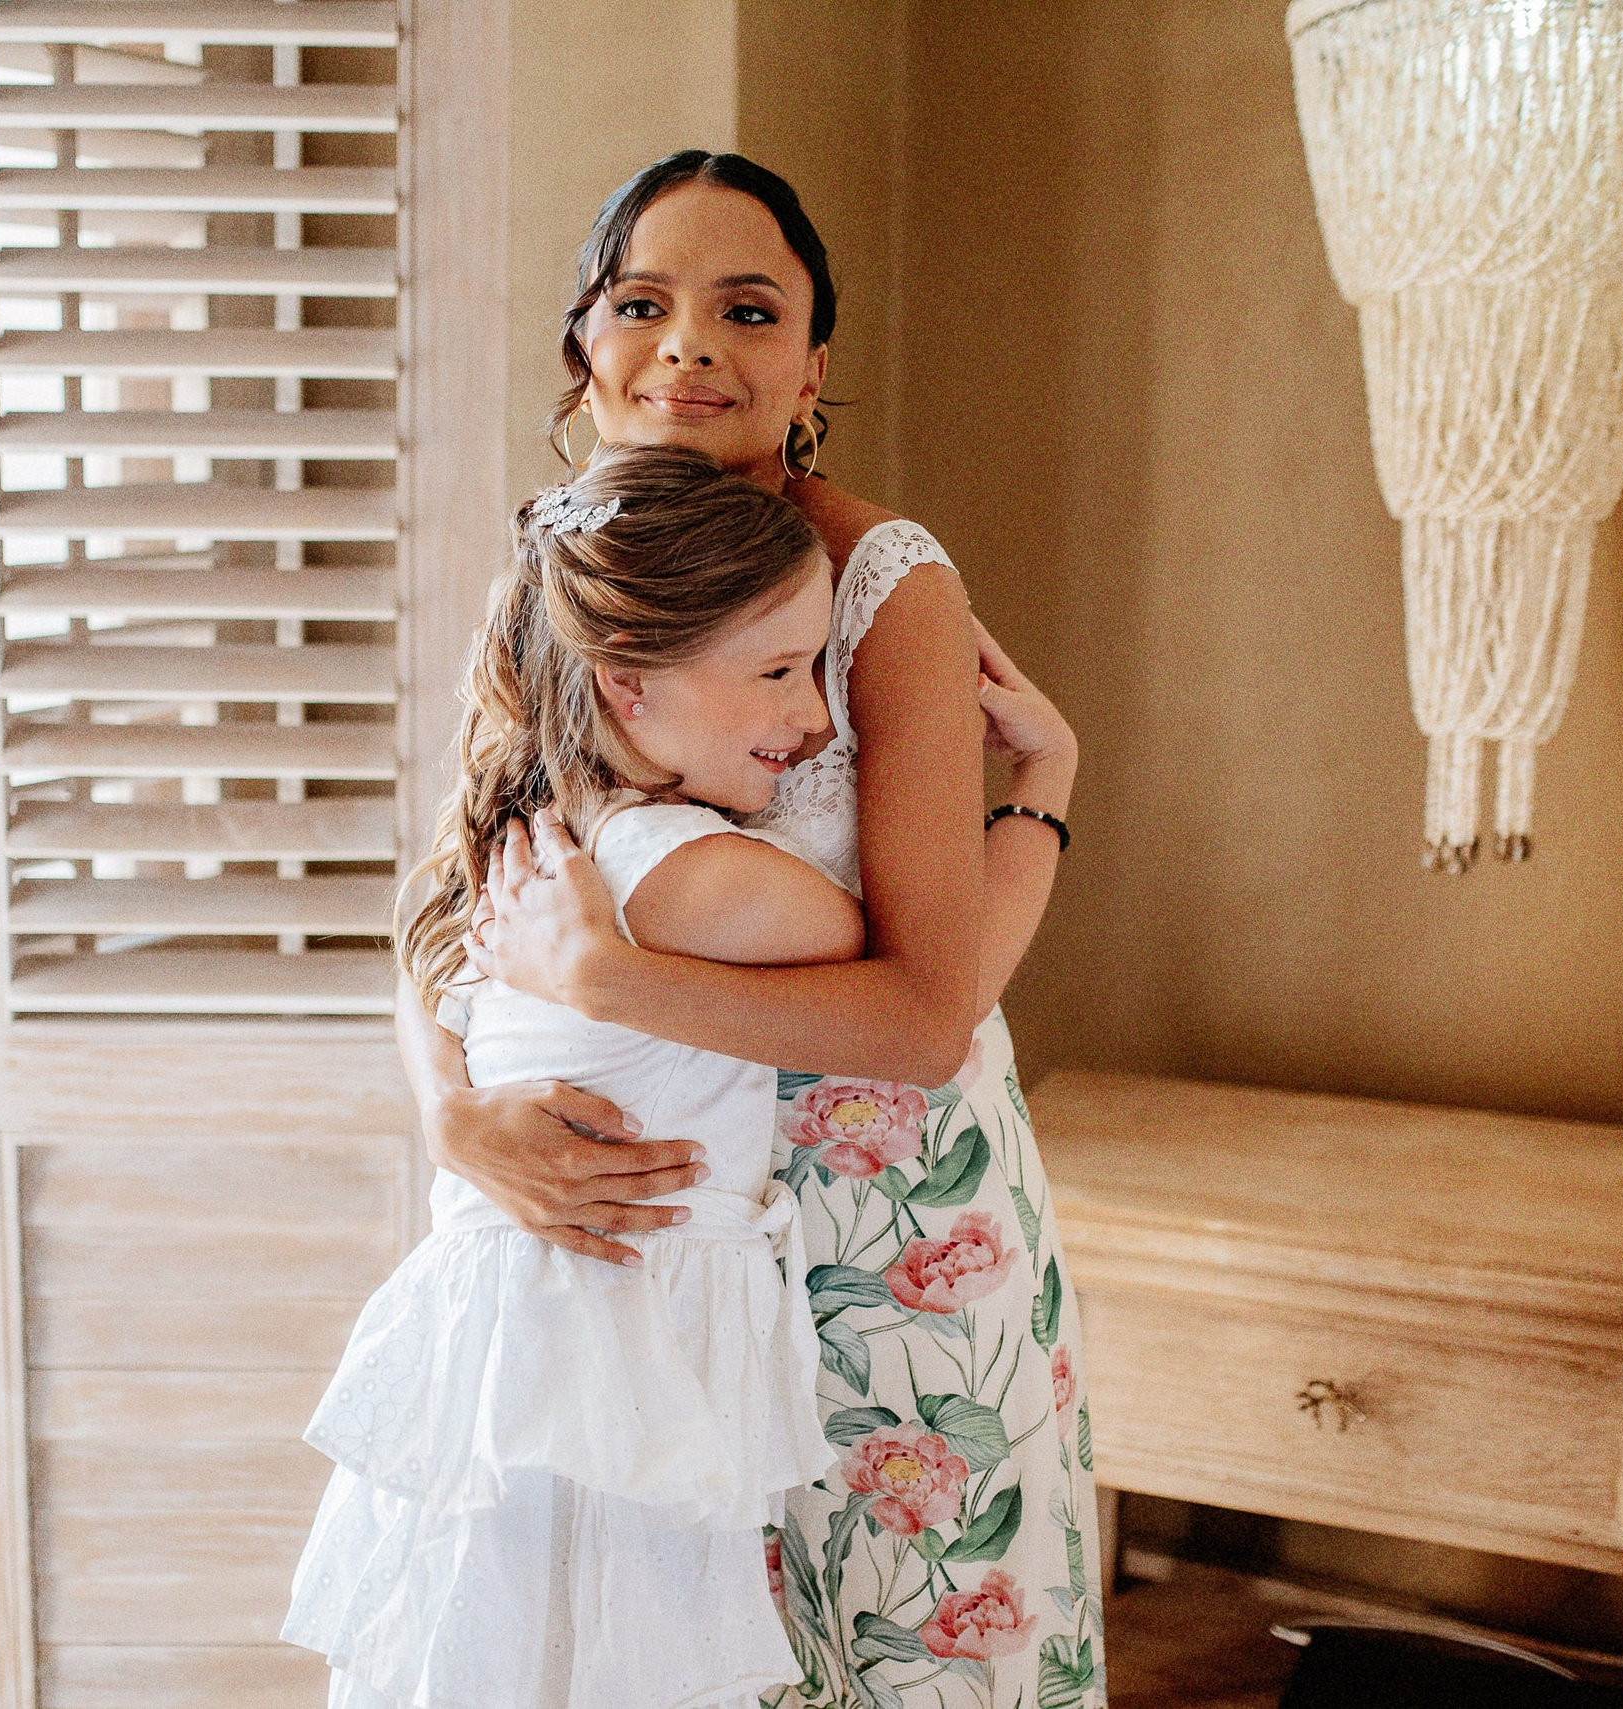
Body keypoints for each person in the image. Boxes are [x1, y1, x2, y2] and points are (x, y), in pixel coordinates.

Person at [414, 152, 1105, 1709]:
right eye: (642, 304)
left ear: (811, 370)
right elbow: (443, 909)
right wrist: (458, 1118)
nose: (690, 345)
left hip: (886, 1248)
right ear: (584, 352)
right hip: (637, 1246)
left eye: (748, 308)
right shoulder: (561, 575)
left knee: (908, 1662)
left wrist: (606, 977)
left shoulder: (882, 585)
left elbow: (925, 1016)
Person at [285, 445, 869, 1709]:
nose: (816, 717)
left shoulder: (537, 830)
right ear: (628, 684)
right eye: (778, 671)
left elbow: (423, 969)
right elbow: (897, 960)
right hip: (609, 1340)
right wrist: (1040, 789)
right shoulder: (678, 871)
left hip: (530, 1328)